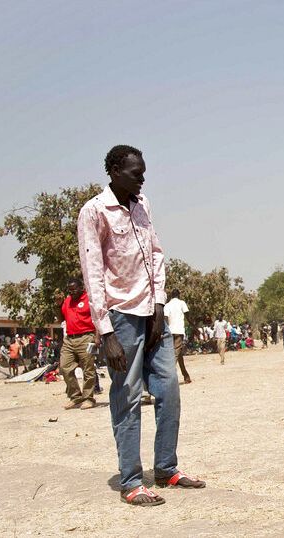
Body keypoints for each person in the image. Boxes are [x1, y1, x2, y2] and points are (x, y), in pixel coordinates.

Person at [78, 144, 204, 506]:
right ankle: (131, 481)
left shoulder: (142, 205)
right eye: (136, 173)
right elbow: (93, 272)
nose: (143, 178)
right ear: (115, 171)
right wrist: (106, 333)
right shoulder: (94, 212)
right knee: (127, 397)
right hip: (120, 318)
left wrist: (160, 305)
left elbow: (156, 255)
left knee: (169, 392)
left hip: (152, 314)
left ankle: (166, 468)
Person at [59, 277, 99, 410]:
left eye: (74, 289)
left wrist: (97, 337)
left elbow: (98, 318)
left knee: (88, 369)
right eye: (69, 290)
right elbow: (61, 318)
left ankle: (88, 398)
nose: (72, 292)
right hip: (69, 338)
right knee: (65, 367)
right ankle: (75, 397)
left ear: (81, 288)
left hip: (86, 337)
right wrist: (57, 306)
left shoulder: (89, 299)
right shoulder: (67, 301)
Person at [164, 289, 192, 383]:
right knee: (175, 354)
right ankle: (168, 377)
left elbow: (165, 318)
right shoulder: (182, 303)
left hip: (170, 332)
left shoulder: (167, 305)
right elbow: (188, 316)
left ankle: (186, 376)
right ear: (179, 295)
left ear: (171, 295)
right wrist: (194, 327)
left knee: (179, 354)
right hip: (179, 331)